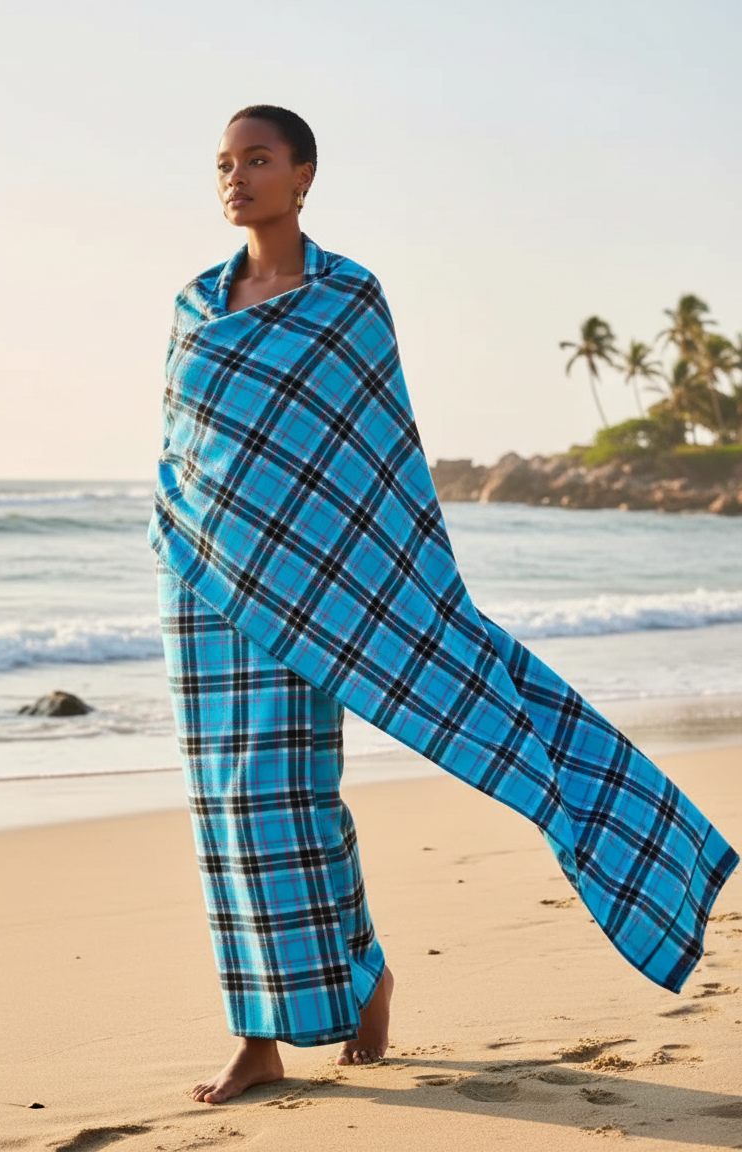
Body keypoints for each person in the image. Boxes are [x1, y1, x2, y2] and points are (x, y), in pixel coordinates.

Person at [149, 105, 737, 1106]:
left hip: (325, 583)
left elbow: (371, 454)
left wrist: (390, 579)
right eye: (223, 164)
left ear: (303, 175)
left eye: (257, 160)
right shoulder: (193, 306)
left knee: (295, 793)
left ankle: (358, 980)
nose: (236, 178)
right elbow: (183, 447)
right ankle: (265, 1031)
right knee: (231, 804)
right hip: (207, 586)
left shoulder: (344, 299)